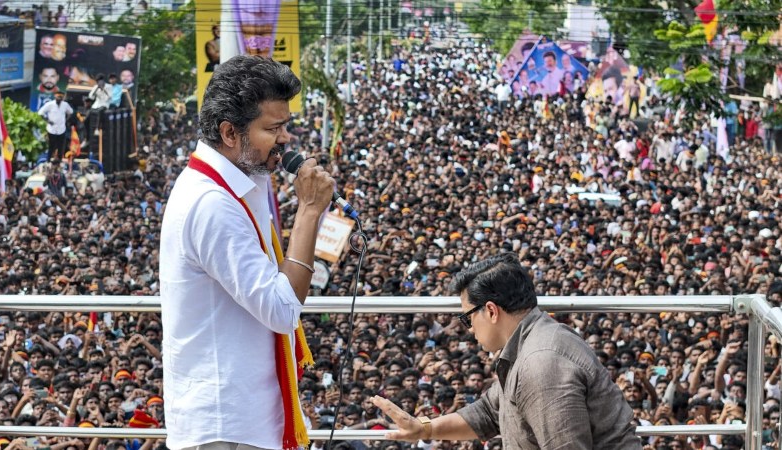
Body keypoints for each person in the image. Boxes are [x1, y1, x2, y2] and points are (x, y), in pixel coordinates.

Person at [160, 56, 335, 450]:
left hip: (246, 414)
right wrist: (309, 211)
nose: (286, 139)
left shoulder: (242, 180)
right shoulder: (212, 204)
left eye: (286, 125)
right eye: (273, 129)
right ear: (229, 132)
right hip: (225, 425)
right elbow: (282, 310)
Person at [371, 253, 641, 448]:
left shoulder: (541, 364)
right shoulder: (531, 342)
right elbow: (489, 412)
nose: (469, 329)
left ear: (491, 311)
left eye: (467, 318)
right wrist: (424, 429)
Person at [37, 91, 73, 160]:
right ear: (55, 96)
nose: (59, 98)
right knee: (51, 146)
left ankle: (59, 160)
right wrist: (48, 120)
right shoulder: (50, 104)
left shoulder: (65, 105)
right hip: (51, 129)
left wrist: (66, 120)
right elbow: (40, 113)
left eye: (61, 97)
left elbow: (71, 112)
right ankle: (48, 160)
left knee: (61, 147)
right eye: (58, 97)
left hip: (61, 129)